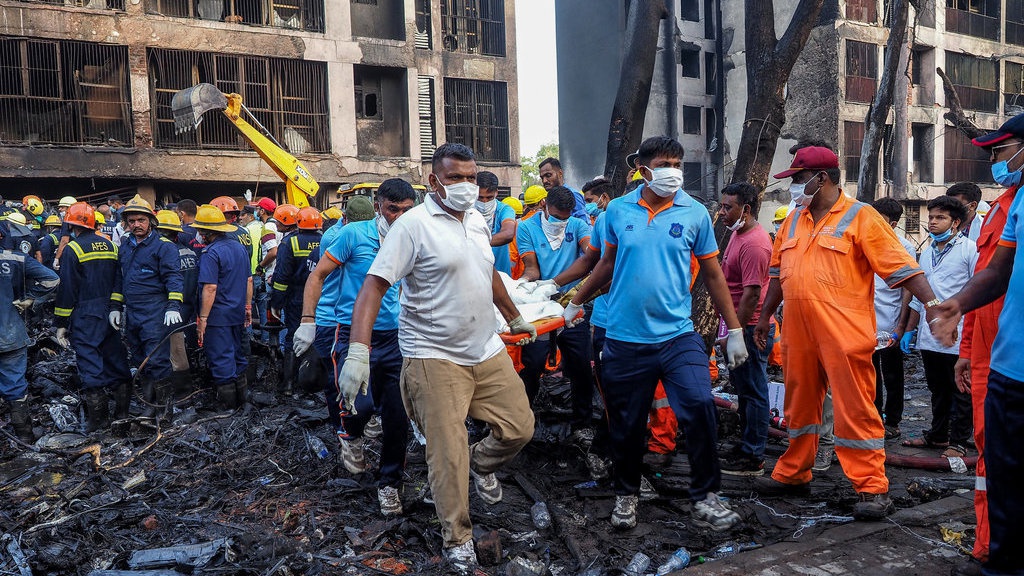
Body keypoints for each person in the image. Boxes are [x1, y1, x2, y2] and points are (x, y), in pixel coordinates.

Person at [339, 143, 537, 571]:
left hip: (485, 348)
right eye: (455, 178)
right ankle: (457, 538)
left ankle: (481, 466)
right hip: (434, 356)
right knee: (447, 455)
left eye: (471, 177)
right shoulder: (412, 226)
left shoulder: (479, 223)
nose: (466, 186)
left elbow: (487, 276)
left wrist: (515, 317)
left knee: (520, 427)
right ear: (433, 181)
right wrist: (359, 350)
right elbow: (373, 286)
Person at [562, 136, 749, 531]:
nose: (674, 172)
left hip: (678, 336)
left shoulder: (697, 213)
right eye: (665, 163)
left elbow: (713, 273)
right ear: (643, 169)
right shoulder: (617, 210)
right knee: (627, 426)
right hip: (625, 339)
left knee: (699, 405)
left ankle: (706, 495)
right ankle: (627, 494)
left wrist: (735, 330)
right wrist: (576, 301)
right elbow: (605, 263)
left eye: (678, 164)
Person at [752, 146, 941, 519]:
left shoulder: (862, 217)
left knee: (856, 408)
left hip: (844, 333)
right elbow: (777, 274)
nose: (793, 185)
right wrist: (764, 317)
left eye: (797, 177)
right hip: (798, 333)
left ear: (821, 177)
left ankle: (872, 488)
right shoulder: (792, 221)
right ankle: (793, 472)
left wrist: (934, 308)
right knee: (800, 406)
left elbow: (903, 270)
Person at [296, 178, 416, 517]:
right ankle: (350, 435)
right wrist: (308, 320)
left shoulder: (413, 237)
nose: (400, 216)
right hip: (350, 334)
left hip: (394, 337)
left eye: (407, 210)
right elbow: (318, 275)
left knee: (397, 417)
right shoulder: (353, 235)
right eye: (394, 209)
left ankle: (390, 483)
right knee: (358, 405)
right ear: (379, 206)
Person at [938, 114, 1023, 576]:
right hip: (999, 359)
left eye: (1003, 150)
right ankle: (993, 546)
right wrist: (967, 347)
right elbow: (990, 278)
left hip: (1007, 358)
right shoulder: (1010, 204)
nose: (996, 160)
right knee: (994, 460)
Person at [517, 185, 596, 442]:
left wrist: (557, 283)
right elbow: (531, 268)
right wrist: (530, 286)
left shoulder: (577, 226)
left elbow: (589, 254)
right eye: (556, 216)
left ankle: (582, 422)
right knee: (532, 363)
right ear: (543, 207)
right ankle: (523, 420)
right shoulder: (527, 228)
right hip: (540, 306)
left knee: (581, 363)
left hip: (572, 303)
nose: (561, 222)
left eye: (565, 217)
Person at [900, 195, 977, 458]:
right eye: (931, 217)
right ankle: (938, 435)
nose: (932, 222)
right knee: (937, 389)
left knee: (961, 390)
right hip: (928, 334)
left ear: (955, 222)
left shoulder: (970, 250)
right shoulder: (928, 252)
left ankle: (959, 442)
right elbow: (921, 299)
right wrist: (910, 329)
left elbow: (977, 293)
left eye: (940, 217)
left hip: (958, 333)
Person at [54, 203, 131, 431]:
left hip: (86, 314)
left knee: (90, 364)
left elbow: (67, 289)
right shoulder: (111, 246)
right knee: (116, 360)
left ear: (71, 224)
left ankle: (99, 423)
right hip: (110, 313)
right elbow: (119, 279)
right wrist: (116, 305)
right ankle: (122, 416)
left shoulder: (73, 249)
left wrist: (60, 323)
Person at [717, 182, 776, 476]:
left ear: (747, 209)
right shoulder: (738, 234)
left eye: (728, 207)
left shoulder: (754, 243)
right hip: (738, 326)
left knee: (754, 392)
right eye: (722, 205)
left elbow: (752, 294)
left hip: (750, 329)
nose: (722, 212)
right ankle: (746, 445)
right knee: (744, 390)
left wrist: (735, 333)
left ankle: (753, 456)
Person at [111, 194, 184, 418]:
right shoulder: (124, 246)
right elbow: (119, 278)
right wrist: (115, 305)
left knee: (157, 359)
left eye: (141, 221)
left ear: (151, 222)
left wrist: (173, 305)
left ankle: (164, 410)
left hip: (155, 310)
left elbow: (174, 277)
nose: (136, 225)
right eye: (131, 221)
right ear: (126, 223)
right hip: (133, 311)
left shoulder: (164, 247)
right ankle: (149, 405)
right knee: (139, 358)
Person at [193, 204, 253, 410]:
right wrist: (247, 307)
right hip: (236, 312)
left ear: (205, 231)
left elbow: (210, 288)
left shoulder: (210, 253)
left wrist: (203, 319)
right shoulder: (238, 247)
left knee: (221, 359)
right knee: (237, 355)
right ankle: (242, 403)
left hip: (218, 316)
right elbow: (249, 280)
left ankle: (227, 408)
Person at [2, 239, 59, 441]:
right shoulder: (16, 257)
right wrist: (29, 299)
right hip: (10, 333)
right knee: (15, 385)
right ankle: (24, 436)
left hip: (10, 333)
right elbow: (51, 279)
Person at [869, 198, 916, 440]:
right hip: (866, 321)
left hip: (890, 321)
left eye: (881, 220)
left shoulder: (904, 247)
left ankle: (893, 420)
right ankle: (874, 417)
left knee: (893, 373)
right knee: (870, 373)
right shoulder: (865, 242)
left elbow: (908, 288)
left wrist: (902, 326)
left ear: (894, 223)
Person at [270, 206, 321, 394]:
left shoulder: (289, 243)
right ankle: (312, 383)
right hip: (319, 299)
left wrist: (276, 302)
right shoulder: (325, 240)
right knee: (316, 337)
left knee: (293, 337)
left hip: (296, 298)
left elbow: (282, 277)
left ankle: (289, 384)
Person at [156, 210, 200, 402]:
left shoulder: (167, 253)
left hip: (172, 308)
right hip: (189, 307)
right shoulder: (189, 251)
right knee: (183, 346)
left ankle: (183, 394)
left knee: (176, 351)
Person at [476, 171, 516, 275]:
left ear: (496, 193)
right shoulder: (466, 211)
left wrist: (474, 243)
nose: (484, 202)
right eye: (480, 197)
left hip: (502, 275)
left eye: (489, 197)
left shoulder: (504, 210)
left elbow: (508, 233)